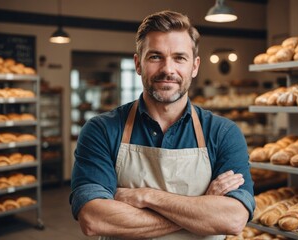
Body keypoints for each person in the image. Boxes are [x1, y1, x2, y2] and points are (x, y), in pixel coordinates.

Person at [70, 10, 255, 240]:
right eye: (155, 56)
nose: (168, 69)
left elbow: (233, 219)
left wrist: (147, 197)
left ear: (194, 67)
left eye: (179, 57)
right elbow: (94, 219)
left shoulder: (223, 133)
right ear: (138, 63)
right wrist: (200, 208)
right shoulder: (101, 130)